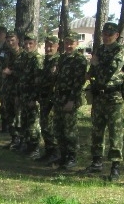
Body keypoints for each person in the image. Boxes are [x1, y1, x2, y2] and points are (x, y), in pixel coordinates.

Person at [86, 22, 124, 182]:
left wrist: (96, 64)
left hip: (113, 97)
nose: (106, 37)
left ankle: (115, 167)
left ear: (116, 35)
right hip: (99, 96)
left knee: (114, 133)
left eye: (110, 34)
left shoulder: (120, 50)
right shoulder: (100, 50)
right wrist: (93, 69)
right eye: (104, 34)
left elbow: (111, 69)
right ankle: (96, 162)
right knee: (97, 131)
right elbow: (91, 72)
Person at [50, 31, 89, 170]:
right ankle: (63, 155)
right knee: (58, 128)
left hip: (70, 98)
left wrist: (72, 100)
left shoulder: (79, 59)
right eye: (66, 43)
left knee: (69, 129)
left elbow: (78, 82)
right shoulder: (62, 58)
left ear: (77, 44)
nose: (68, 46)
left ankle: (72, 156)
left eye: (71, 43)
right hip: (59, 97)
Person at [14, 33, 44, 155]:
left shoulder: (37, 58)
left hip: (32, 96)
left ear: (35, 44)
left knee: (33, 123)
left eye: (30, 43)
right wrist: (18, 95)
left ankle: (35, 147)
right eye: (26, 43)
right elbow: (20, 78)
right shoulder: (24, 58)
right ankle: (27, 145)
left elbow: (38, 81)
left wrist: (34, 98)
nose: (27, 46)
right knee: (25, 121)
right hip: (23, 95)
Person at [33, 35, 60, 163]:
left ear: (57, 46)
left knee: (50, 127)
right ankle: (48, 151)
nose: (49, 48)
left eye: (51, 46)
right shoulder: (46, 60)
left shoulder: (58, 61)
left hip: (52, 99)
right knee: (44, 126)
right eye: (47, 46)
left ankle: (55, 152)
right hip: (43, 97)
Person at [0, 31, 22, 148]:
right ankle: (14, 139)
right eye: (8, 41)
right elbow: (1, 66)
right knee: (9, 113)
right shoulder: (6, 53)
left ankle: (21, 140)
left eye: (12, 40)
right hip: (7, 88)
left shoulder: (22, 54)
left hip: (18, 89)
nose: (10, 43)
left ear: (17, 40)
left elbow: (25, 72)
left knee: (19, 115)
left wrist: (11, 72)